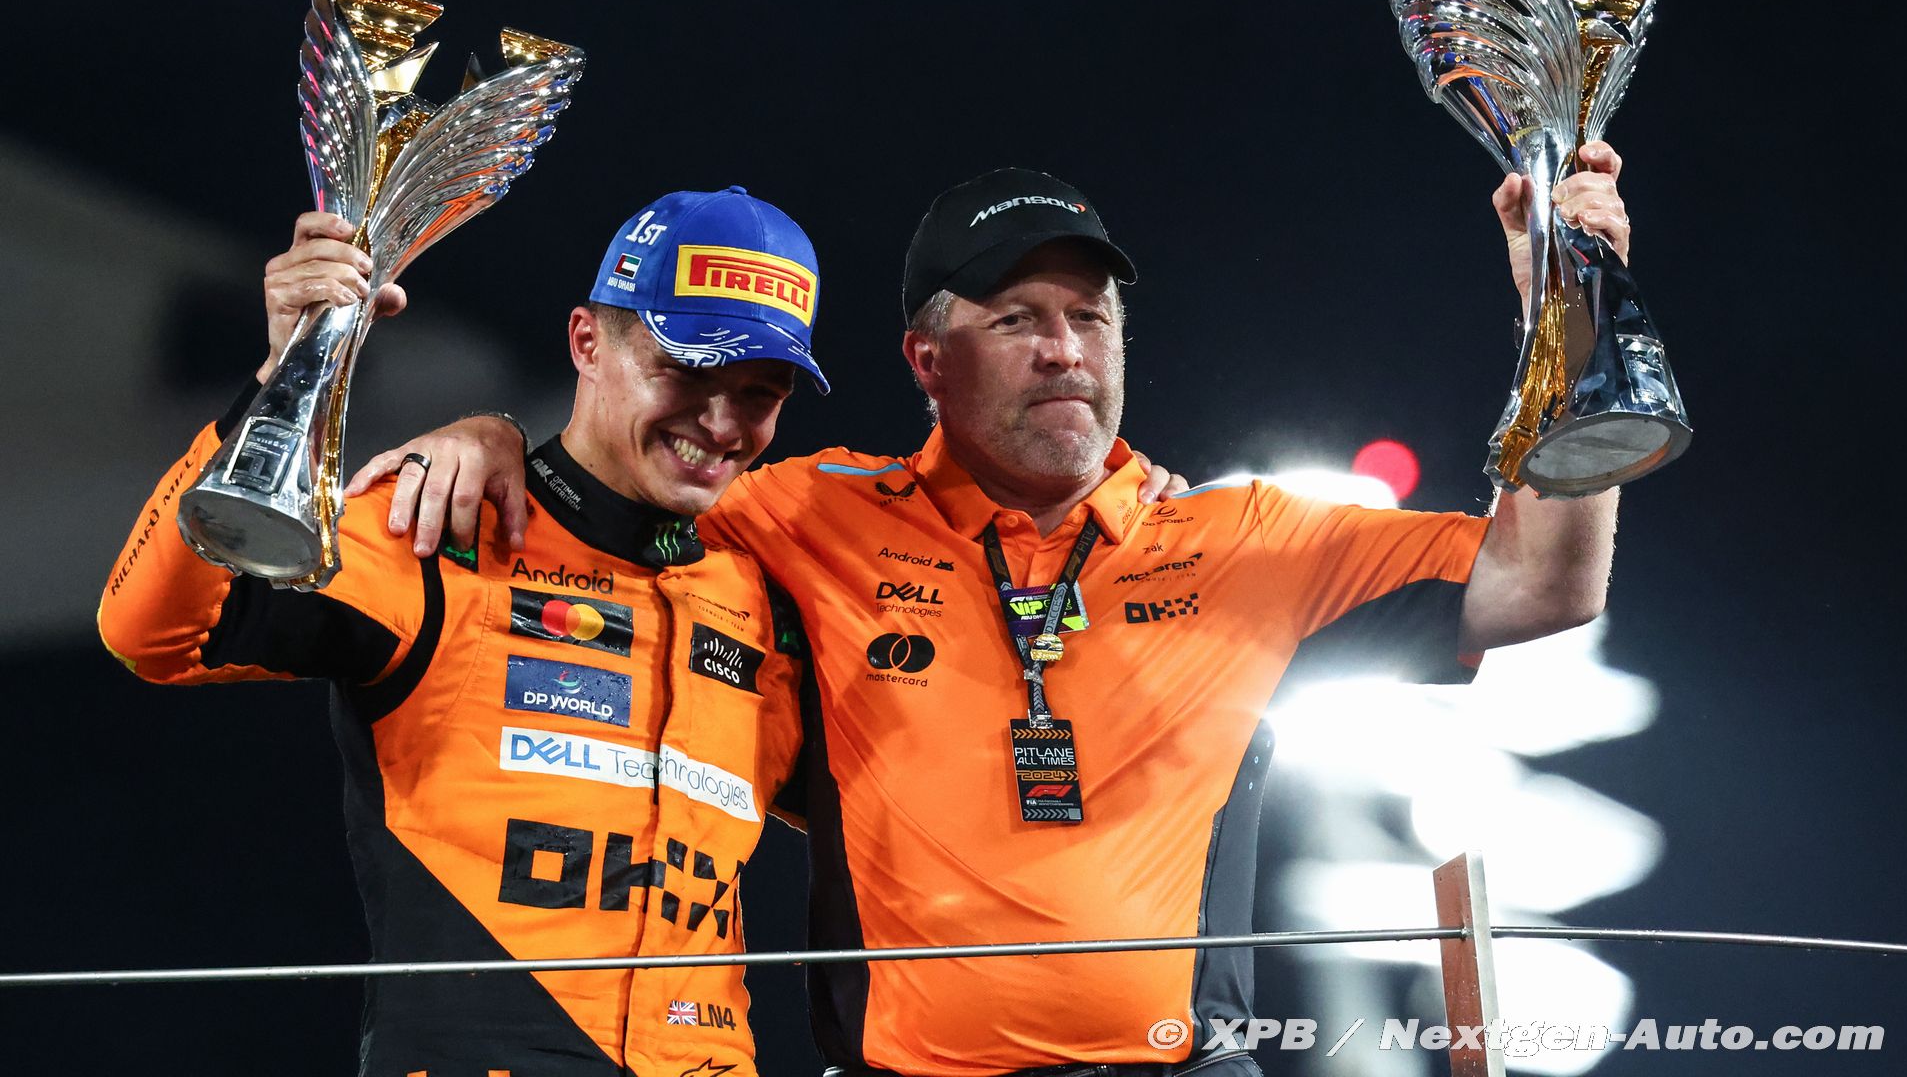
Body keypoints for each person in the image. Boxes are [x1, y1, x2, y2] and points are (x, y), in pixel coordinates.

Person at [363, 150, 1634, 1075]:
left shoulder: (1247, 539)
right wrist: (488, 439)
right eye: (1017, 319)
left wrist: (1568, 317)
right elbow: (620, 478)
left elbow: (1548, 580)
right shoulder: (800, 511)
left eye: (1090, 317)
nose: (1064, 348)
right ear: (928, 361)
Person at [99, 186, 837, 1076]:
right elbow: (154, 631)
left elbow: (890, 810)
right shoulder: (435, 522)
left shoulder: (762, 596)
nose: (720, 425)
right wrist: (280, 379)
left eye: (758, 393)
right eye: (684, 373)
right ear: (587, 342)